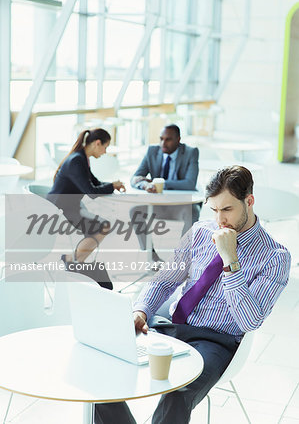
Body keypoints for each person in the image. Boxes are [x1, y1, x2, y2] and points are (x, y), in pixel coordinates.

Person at [94, 165, 291, 423]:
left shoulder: (275, 257)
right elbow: (164, 280)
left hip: (216, 341)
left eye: (227, 209)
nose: (220, 220)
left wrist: (230, 260)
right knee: (102, 368)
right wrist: (140, 311)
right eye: (214, 209)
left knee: (178, 394)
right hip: (170, 326)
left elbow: (249, 321)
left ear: (249, 201)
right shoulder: (200, 232)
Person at [47, 128, 125, 289]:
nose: (105, 152)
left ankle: (75, 262)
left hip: (70, 207)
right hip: (62, 210)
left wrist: (113, 185)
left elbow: (94, 183)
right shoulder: (77, 160)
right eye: (105, 147)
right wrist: (111, 186)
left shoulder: (81, 158)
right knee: (103, 226)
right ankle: (72, 261)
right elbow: (91, 192)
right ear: (97, 143)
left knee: (101, 225)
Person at [130, 124, 201, 263]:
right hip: (158, 206)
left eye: (168, 139)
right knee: (135, 211)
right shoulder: (152, 151)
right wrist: (145, 185)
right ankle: (152, 256)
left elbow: (189, 183)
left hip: (181, 206)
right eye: (161, 139)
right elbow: (135, 178)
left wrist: (160, 183)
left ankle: (181, 259)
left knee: (194, 211)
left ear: (178, 139)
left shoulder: (191, 152)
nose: (163, 143)